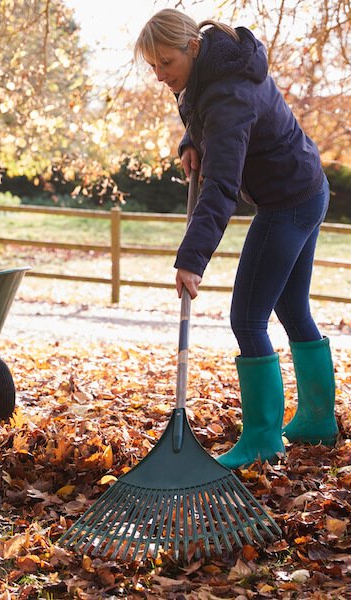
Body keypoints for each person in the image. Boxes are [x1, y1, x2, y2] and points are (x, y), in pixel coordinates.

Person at [135, 9, 339, 469]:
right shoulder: (219, 64)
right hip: (307, 189)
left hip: (287, 201)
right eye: (152, 66)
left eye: (165, 62)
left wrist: (192, 259)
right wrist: (193, 140)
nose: (160, 75)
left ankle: (265, 440)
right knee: (291, 308)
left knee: (247, 319)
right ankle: (317, 420)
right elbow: (208, 114)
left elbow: (222, 185)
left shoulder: (227, 90)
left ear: (192, 47)